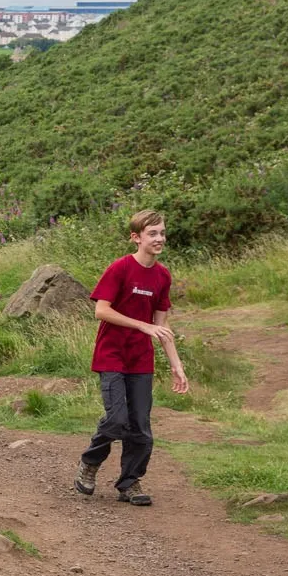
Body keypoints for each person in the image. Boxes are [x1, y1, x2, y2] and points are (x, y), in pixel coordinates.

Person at [75, 209, 189, 506]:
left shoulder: (162, 275)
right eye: (153, 233)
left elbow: (161, 327)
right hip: (111, 355)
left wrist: (177, 366)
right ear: (136, 237)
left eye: (162, 233)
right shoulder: (121, 268)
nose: (159, 238)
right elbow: (101, 310)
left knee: (140, 425)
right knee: (117, 420)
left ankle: (130, 483)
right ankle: (90, 462)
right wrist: (142, 324)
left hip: (141, 359)